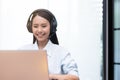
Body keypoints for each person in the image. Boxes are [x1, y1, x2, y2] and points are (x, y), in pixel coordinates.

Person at [19, 9, 79, 80]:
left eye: (44, 26)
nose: (39, 30)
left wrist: (50, 76)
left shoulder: (62, 52)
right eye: (35, 26)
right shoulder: (22, 51)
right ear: (31, 28)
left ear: (52, 27)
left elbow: (75, 77)